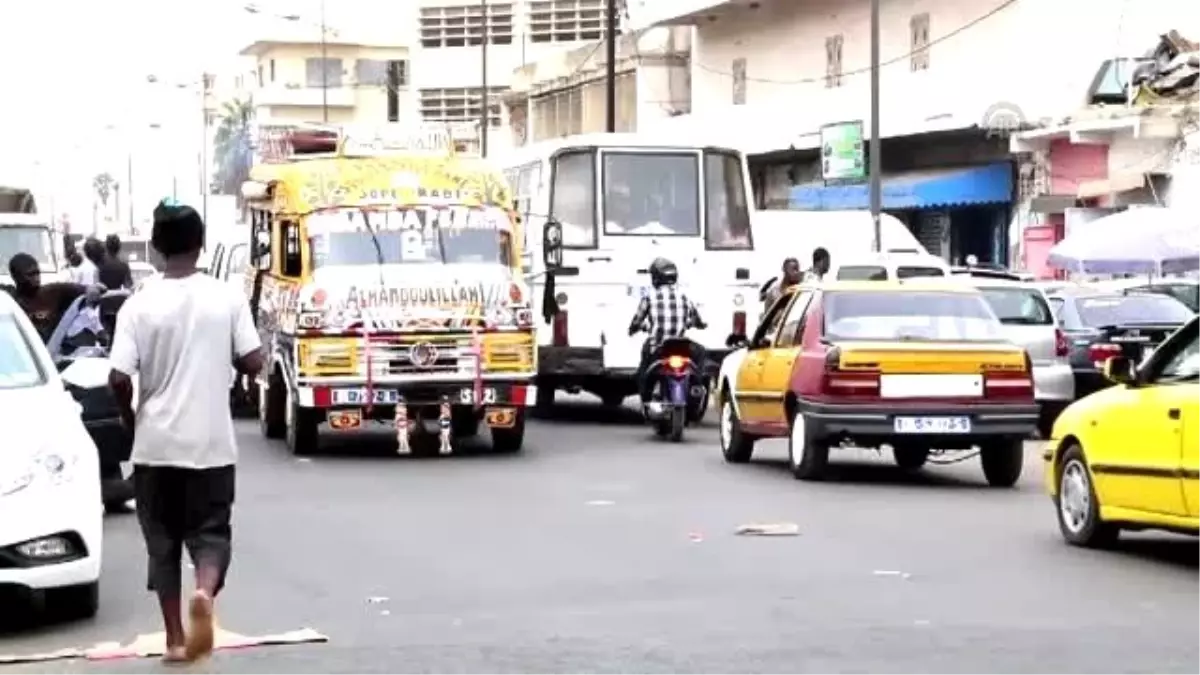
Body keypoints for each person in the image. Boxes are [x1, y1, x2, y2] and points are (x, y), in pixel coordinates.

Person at [108, 200, 264, 663]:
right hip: (211, 445)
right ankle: (206, 592)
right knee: (211, 534)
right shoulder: (227, 298)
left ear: (155, 248)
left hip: (154, 447)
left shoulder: (137, 306)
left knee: (162, 544)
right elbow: (254, 360)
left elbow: (117, 378)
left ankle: (176, 639)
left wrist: (129, 418)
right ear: (201, 245)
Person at [627, 257, 707, 412]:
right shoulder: (684, 298)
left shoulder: (649, 298)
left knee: (643, 372)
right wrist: (699, 325)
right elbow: (697, 320)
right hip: (682, 347)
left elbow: (637, 321)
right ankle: (697, 386)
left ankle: (646, 398)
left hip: (658, 347)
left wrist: (634, 329)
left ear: (656, 278)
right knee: (702, 353)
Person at [4, 253, 101, 343]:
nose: (37, 278)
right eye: (30, 275)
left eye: (37, 273)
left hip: (52, 353)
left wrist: (93, 289)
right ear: (16, 276)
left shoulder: (53, 292)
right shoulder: (8, 299)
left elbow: (86, 289)